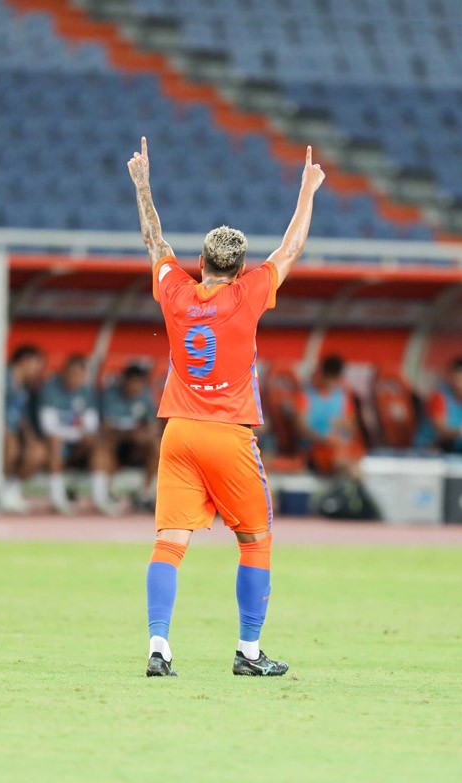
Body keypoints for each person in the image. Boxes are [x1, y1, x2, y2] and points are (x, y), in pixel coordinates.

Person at [127, 136, 325, 677]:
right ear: (239, 270)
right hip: (227, 432)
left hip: (178, 433)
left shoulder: (175, 291)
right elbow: (290, 249)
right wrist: (307, 191)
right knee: (255, 540)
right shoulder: (248, 295)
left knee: (169, 543)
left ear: (199, 264)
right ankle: (249, 652)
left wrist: (142, 185)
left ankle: (159, 648)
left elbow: (153, 239)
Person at [39, 355, 113, 514]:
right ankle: (57, 498)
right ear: (64, 373)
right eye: (73, 373)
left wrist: (81, 435)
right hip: (55, 444)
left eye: (80, 374)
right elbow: (48, 427)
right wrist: (76, 433)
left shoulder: (87, 392)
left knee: (99, 444)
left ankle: (101, 498)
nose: (76, 378)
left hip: (78, 444)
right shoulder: (50, 389)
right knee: (55, 441)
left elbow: (91, 425)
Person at [100, 363, 160, 508]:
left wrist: (146, 434)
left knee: (156, 445)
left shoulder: (145, 395)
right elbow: (105, 427)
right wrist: (129, 433)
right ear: (124, 381)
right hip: (116, 444)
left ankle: (146, 493)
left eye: (139, 384)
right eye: (133, 383)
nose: (135, 387)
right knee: (105, 445)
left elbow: (154, 424)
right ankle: (106, 493)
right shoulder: (110, 395)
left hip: (136, 447)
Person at [296, 354, 364, 479]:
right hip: (316, 448)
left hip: (340, 448)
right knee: (343, 462)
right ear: (322, 374)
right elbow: (301, 429)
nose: (332, 382)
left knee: (353, 458)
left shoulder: (343, 397)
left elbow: (353, 428)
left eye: (335, 378)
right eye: (329, 377)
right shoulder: (305, 396)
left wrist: (345, 424)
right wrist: (324, 439)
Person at [0, 345, 46, 514]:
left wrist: (30, 436)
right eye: (37, 364)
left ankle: (12, 489)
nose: (38, 370)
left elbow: (22, 417)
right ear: (25, 360)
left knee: (38, 452)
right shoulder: (2, 376)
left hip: (14, 431)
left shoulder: (25, 387)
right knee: (10, 445)